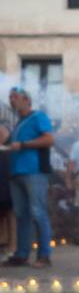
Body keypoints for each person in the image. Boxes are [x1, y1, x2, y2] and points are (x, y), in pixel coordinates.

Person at [2, 87, 55, 267]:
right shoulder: (19, 123)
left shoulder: (38, 117)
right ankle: (22, 254)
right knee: (21, 215)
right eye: (10, 97)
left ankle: (44, 255)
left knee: (38, 212)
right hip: (16, 173)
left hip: (34, 172)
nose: (11, 100)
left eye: (15, 97)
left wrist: (23, 144)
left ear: (26, 100)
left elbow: (49, 140)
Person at [0, 100, 15, 261]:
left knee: (9, 214)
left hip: (5, 176)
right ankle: (5, 245)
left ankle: (12, 247)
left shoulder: (4, 129)